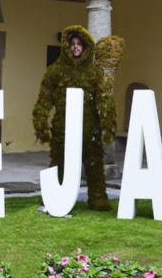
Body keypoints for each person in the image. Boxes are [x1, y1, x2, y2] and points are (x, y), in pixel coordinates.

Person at [32, 25, 117, 211]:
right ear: (66, 46)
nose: (76, 47)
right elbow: (44, 98)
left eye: (80, 44)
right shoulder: (55, 71)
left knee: (94, 165)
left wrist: (108, 120)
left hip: (89, 127)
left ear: (86, 47)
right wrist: (41, 122)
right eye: (73, 44)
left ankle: (97, 198)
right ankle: (53, 198)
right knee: (59, 163)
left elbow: (104, 98)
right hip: (63, 127)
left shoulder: (94, 72)